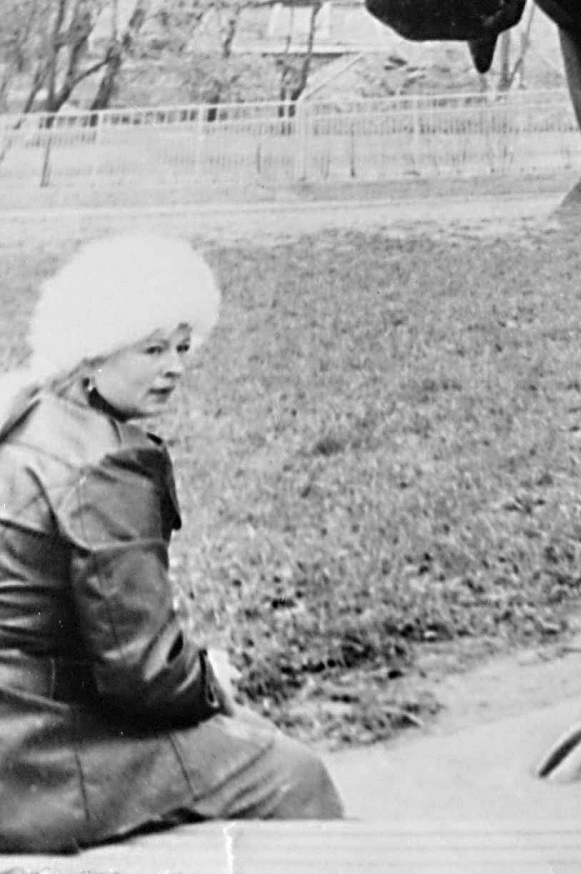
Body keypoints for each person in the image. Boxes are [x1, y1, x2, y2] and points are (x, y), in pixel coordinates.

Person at [0, 233, 343, 854]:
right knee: (291, 775)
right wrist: (212, 681)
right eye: (152, 349)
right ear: (92, 352)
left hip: (20, 720)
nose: (175, 367)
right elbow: (143, 671)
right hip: (37, 757)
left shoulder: (21, 416)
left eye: (183, 347)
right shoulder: (105, 465)